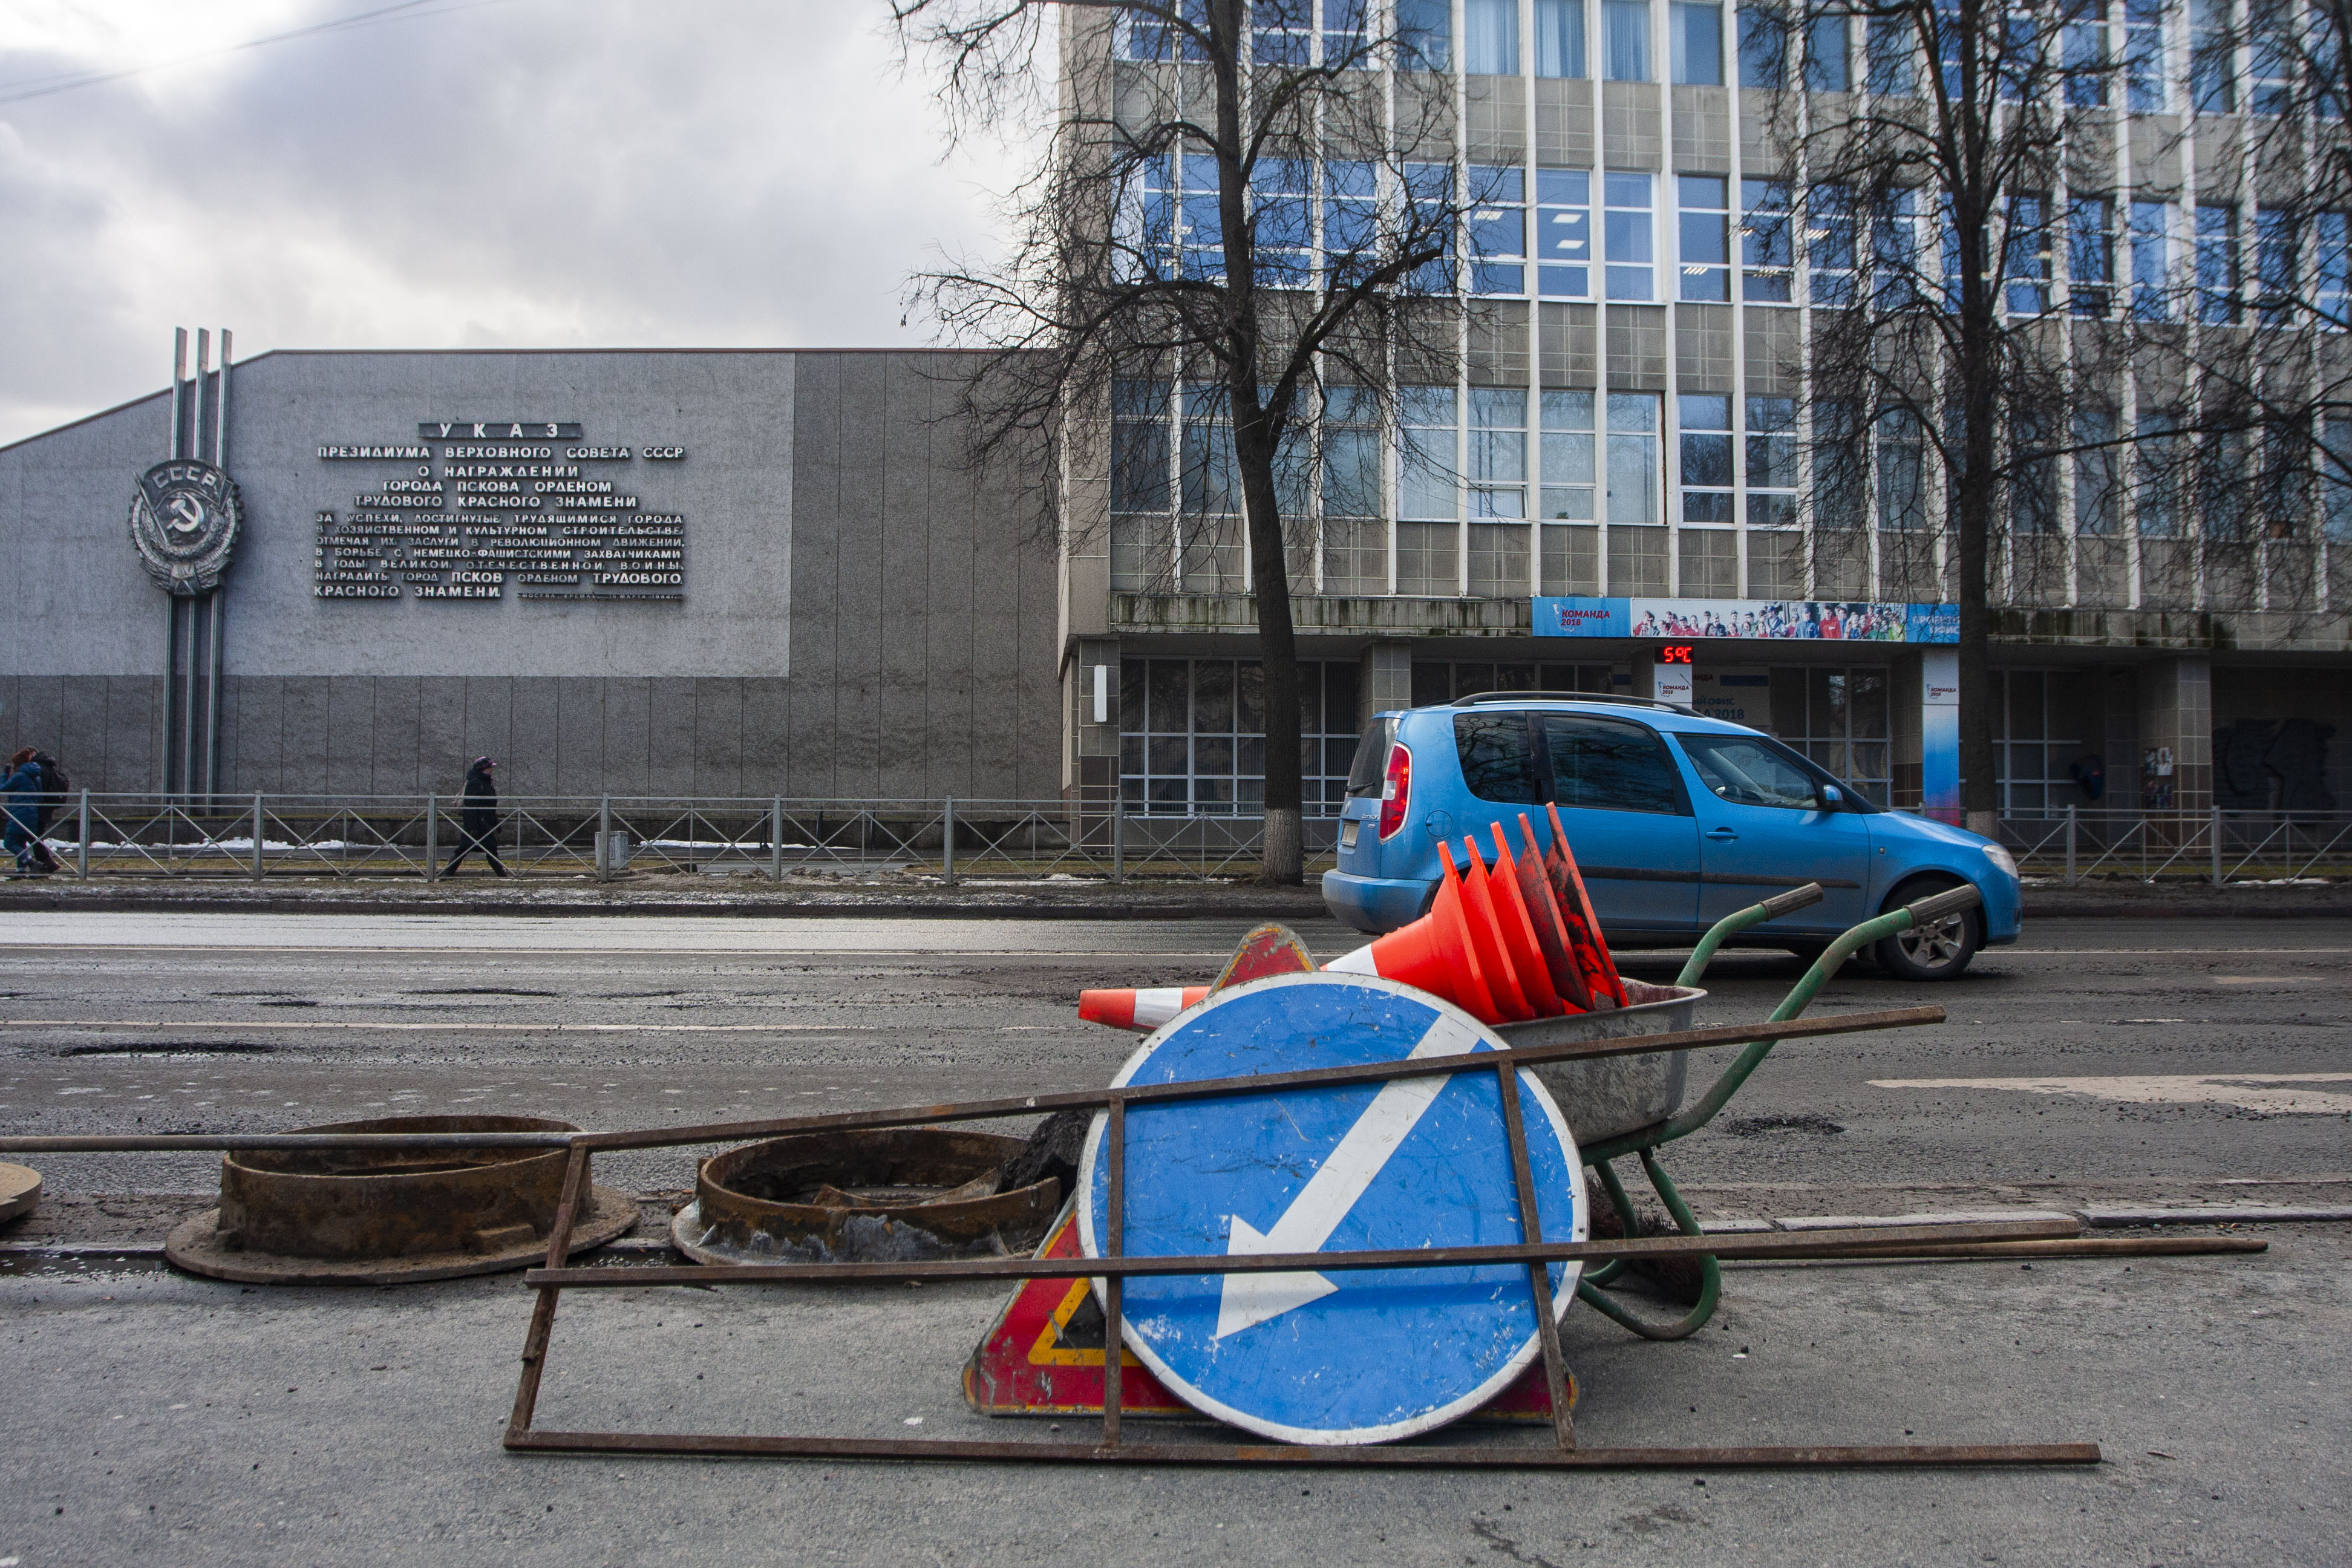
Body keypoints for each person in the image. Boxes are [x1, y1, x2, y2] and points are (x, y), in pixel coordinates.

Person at [445, 756, 508, 876]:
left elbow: (489, 807)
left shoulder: (486, 782)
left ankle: (447, 873)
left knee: (488, 849)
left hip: (485, 822)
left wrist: (495, 822)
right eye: (490, 767)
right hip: (478, 824)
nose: (492, 769)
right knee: (466, 849)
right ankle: (447, 873)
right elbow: (471, 807)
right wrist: (473, 826)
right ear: (483, 769)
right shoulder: (476, 782)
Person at [2, 748, 48, 875]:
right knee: (20, 843)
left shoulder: (19, 776)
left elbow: (3, 789)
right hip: (32, 814)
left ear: (17, 765)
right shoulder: (36, 777)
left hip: (19, 813)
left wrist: (5, 774)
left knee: (9, 843)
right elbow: (40, 797)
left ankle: (32, 863)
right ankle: (20, 872)